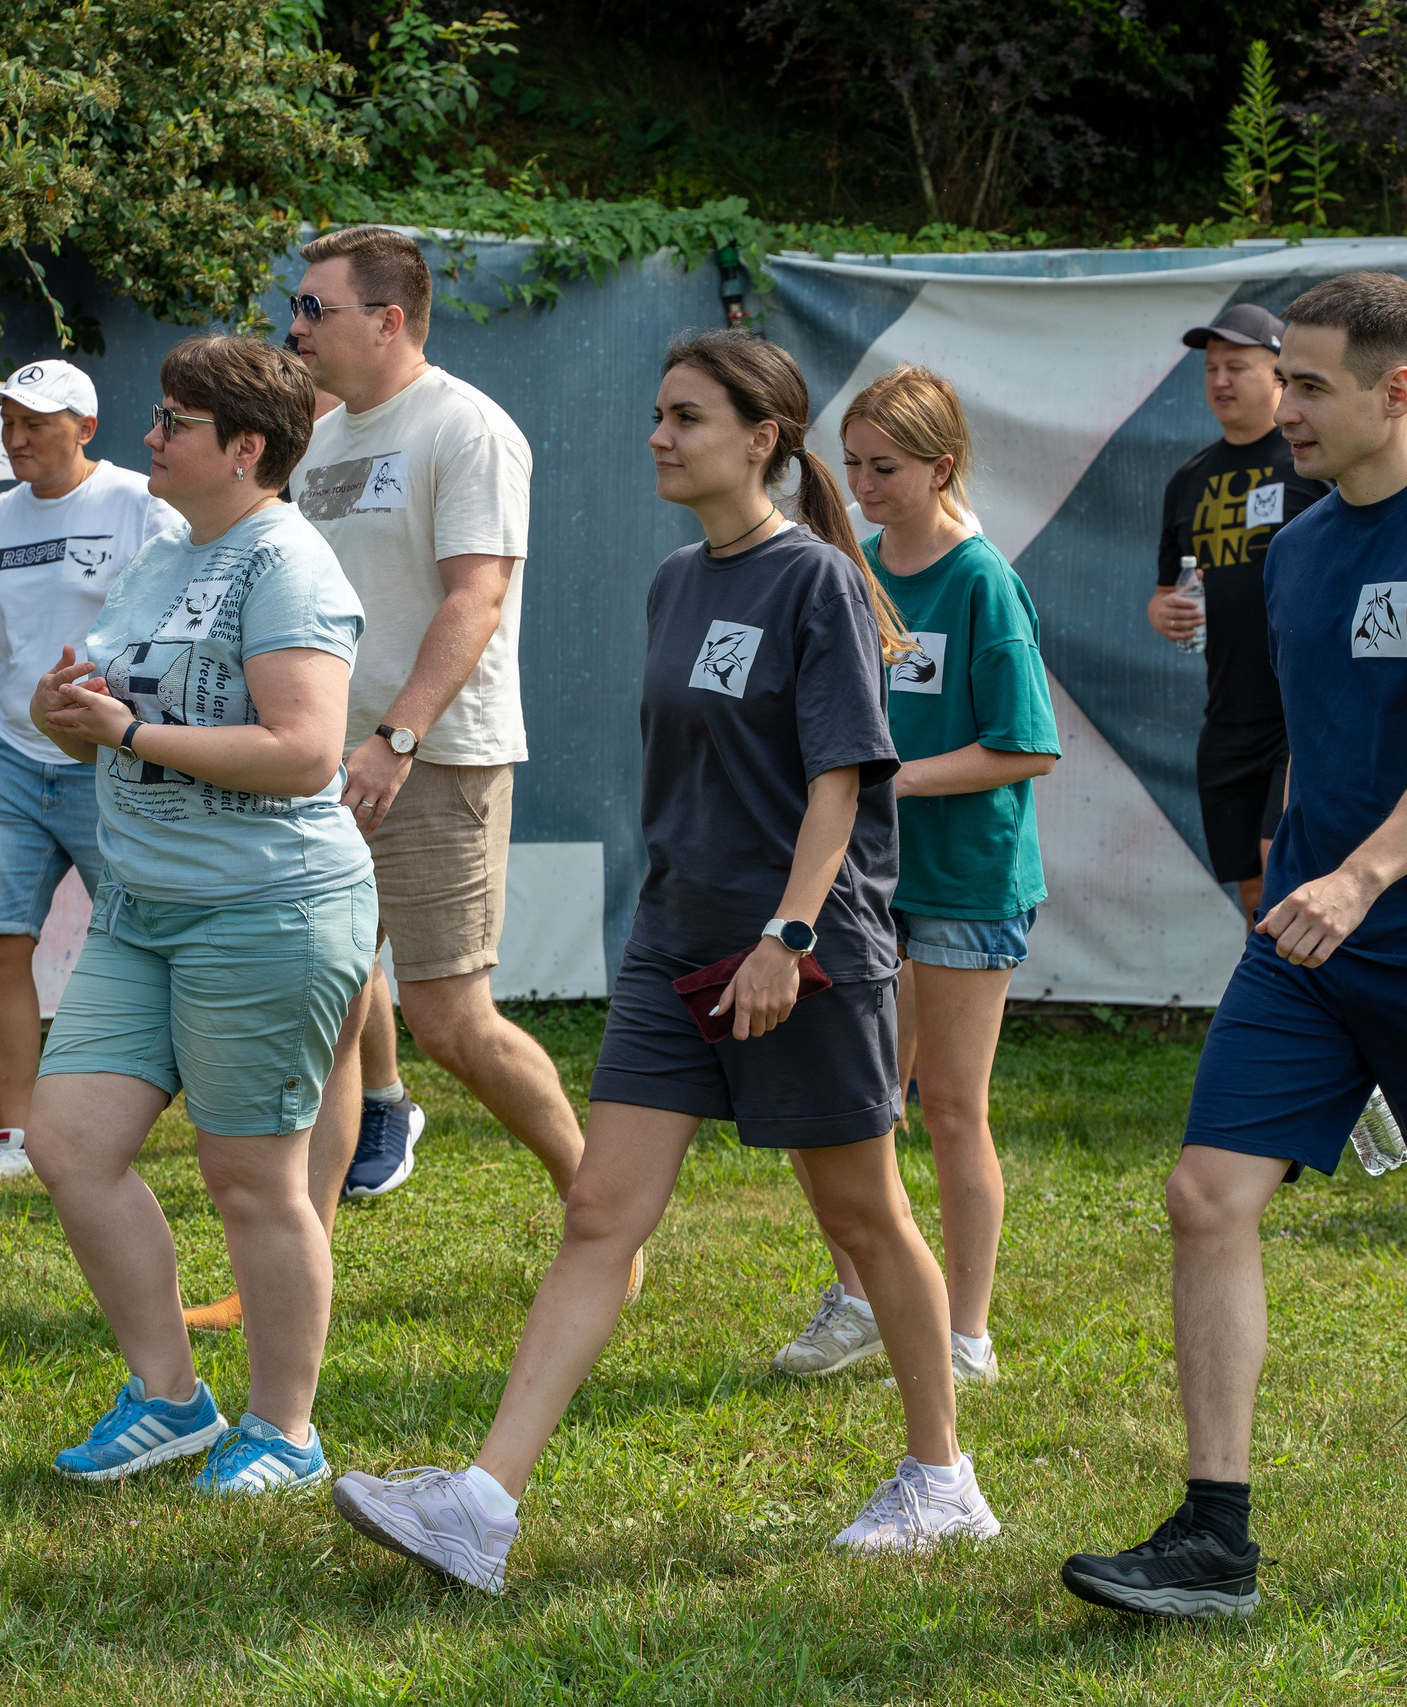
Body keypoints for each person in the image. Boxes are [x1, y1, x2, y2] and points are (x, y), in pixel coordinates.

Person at [330, 330, 999, 1594]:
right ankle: (481, 1507)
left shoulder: (817, 583)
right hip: (672, 943)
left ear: (760, 438)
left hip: (798, 950)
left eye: (685, 417)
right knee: (599, 1213)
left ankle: (940, 1479)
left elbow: (841, 780)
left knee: (862, 1213)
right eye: (655, 412)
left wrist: (788, 939)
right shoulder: (675, 581)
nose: (657, 435)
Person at [1061, 273, 1407, 1617]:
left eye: (1311, 385)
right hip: (1308, 935)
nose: (1279, 404)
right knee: (1204, 1193)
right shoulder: (1291, 550)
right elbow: (1298, 732)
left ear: (1397, 390)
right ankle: (1214, 1533)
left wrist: (1364, 875)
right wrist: (1306, 871)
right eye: (1280, 377)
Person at [183, 224, 601, 1332]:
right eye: (297, 306)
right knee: (317, 1018)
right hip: (319, 761)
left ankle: (603, 1212)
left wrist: (399, 738)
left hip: (432, 758)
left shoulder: (466, 428)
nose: (295, 327)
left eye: (315, 308)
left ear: (390, 320)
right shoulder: (313, 436)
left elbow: (477, 597)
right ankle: (289, 1269)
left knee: (451, 1022)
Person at [22, 334, 375, 1497]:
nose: (148, 439)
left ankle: (284, 1431)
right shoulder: (169, 551)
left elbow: (304, 751)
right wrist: (64, 702)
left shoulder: (287, 564)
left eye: (172, 423)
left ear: (245, 448)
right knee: (69, 1145)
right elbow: (118, 688)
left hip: (265, 911)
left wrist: (124, 734)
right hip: (143, 911)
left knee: (251, 1183)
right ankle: (169, 1401)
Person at [772, 363, 1058, 1388]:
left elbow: (1026, 747)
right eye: (850, 465)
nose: (863, 486)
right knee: (852, 1102)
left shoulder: (984, 581)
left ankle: (966, 1334)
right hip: (861, 886)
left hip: (968, 882)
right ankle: (857, 1297)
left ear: (943, 468)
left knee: (951, 1108)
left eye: (884, 467)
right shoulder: (848, 566)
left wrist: (880, 783)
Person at [0, 360, 182, 1187]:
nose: (13, 438)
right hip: (9, 760)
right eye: (6, 420)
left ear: (84, 427)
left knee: (146, 939)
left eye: (33, 423)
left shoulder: (139, 503)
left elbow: (169, 636)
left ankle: (140, 1121)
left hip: (106, 758)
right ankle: (16, 1139)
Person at [1148, 303, 1329, 920]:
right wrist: (1162, 611)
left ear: (1281, 374)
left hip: (1303, 710)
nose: (1221, 381)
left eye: (1239, 366)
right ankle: (1277, 1012)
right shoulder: (1189, 478)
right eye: (1211, 369)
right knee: (1255, 894)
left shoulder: (1311, 462)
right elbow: (1163, 588)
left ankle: (1310, 1015)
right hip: (1228, 715)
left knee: (1284, 874)